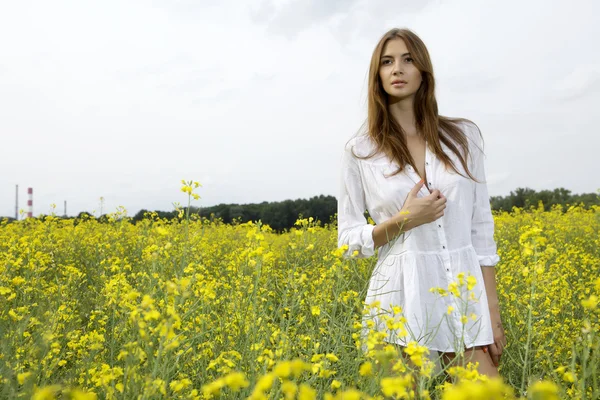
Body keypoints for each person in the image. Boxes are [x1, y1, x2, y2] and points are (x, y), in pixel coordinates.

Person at [337, 28, 507, 380]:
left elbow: (481, 230)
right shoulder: (360, 151)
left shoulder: (464, 137)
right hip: (399, 301)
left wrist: (491, 313)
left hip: (463, 300)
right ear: (378, 75)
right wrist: (404, 220)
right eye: (387, 62)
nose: (397, 69)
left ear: (423, 71)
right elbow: (348, 241)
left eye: (407, 59)